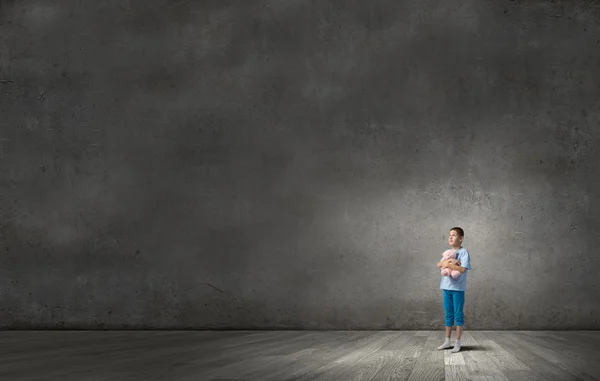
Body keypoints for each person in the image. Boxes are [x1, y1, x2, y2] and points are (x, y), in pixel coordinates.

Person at [436, 227, 471, 352]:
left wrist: (448, 263)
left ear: (461, 238)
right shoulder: (448, 252)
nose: (450, 237)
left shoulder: (464, 252)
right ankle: (447, 341)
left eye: (454, 235)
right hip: (446, 288)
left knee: (458, 315)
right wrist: (449, 262)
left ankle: (457, 342)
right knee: (448, 314)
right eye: (449, 235)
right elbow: (439, 264)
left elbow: (462, 269)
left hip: (458, 289)